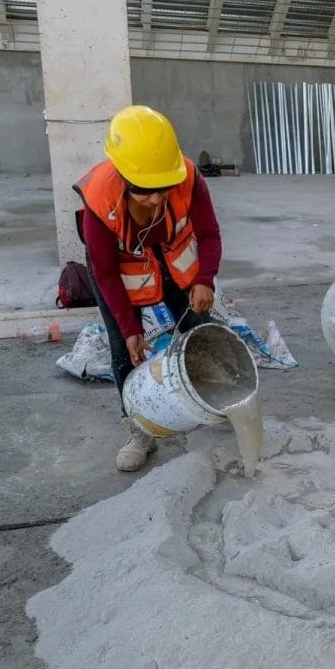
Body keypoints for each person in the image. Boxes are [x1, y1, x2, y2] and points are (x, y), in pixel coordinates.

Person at [74, 106, 221, 472]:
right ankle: (138, 430)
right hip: (121, 272)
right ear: (123, 176)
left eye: (163, 189)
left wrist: (205, 279)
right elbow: (106, 273)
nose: (157, 199)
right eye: (145, 192)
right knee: (127, 352)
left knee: (200, 331)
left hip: (171, 260)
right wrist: (130, 328)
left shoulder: (187, 178)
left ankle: (212, 399)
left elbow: (209, 234)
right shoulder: (99, 202)